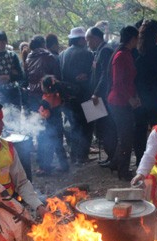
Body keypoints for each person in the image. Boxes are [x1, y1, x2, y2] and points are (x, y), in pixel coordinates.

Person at [134, 20, 157, 166]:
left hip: (138, 96)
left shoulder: (135, 50)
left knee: (140, 130)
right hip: (154, 95)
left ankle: (139, 163)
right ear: (156, 34)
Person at [107, 26, 140, 181]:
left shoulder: (125, 54)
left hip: (122, 100)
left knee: (125, 135)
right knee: (125, 137)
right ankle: (123, 171)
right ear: (133, 39)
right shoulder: (121, 55)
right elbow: (118, 83)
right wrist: (130, 99)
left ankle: (116, 164)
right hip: (119, 102)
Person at [59, 27, 94, 165]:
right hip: (85, 95)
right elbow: (93, 74)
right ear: (80, 39)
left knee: (73, 126)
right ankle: (82, 155)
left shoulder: (62, 54)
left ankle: (74, 155)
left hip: (68, 96)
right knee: (87, 126)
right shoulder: (86, 54)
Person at [86, 26, 115, 166]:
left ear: (96, 38)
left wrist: (96, 93)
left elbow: (105, 75)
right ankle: (110, 156)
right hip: (97, 96)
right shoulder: (98, 51)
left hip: (102, 97)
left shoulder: (105, 51)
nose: (87, 43)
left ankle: (113, 157)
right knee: (101, 129)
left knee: (106, 127)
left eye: (89, 40)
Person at [36, 75, 71, 175]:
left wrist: (40, 113)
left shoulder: (46, 100)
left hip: (50, 127)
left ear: (45, 87)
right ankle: (64, 165)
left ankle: (45, 168)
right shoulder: (57, 96)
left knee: (48, 146)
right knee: (59, 146)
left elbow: (46, 115)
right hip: (58, 125)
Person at [0, 31, 23, 107]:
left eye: (2, 42)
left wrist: (9, 77)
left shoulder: (13, 55)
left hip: (14, 91)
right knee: (2, 115)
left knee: (16, 114)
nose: (0, 45)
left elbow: (20, 74)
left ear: (6, 42)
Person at [24, 35, 60, 112]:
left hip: (32, 94)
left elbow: (26, 76)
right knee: (53, 120)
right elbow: (57, 75)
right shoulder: (48, 56)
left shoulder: (28, 58)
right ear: (43, 44)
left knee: (37, 120)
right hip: (47, 95)